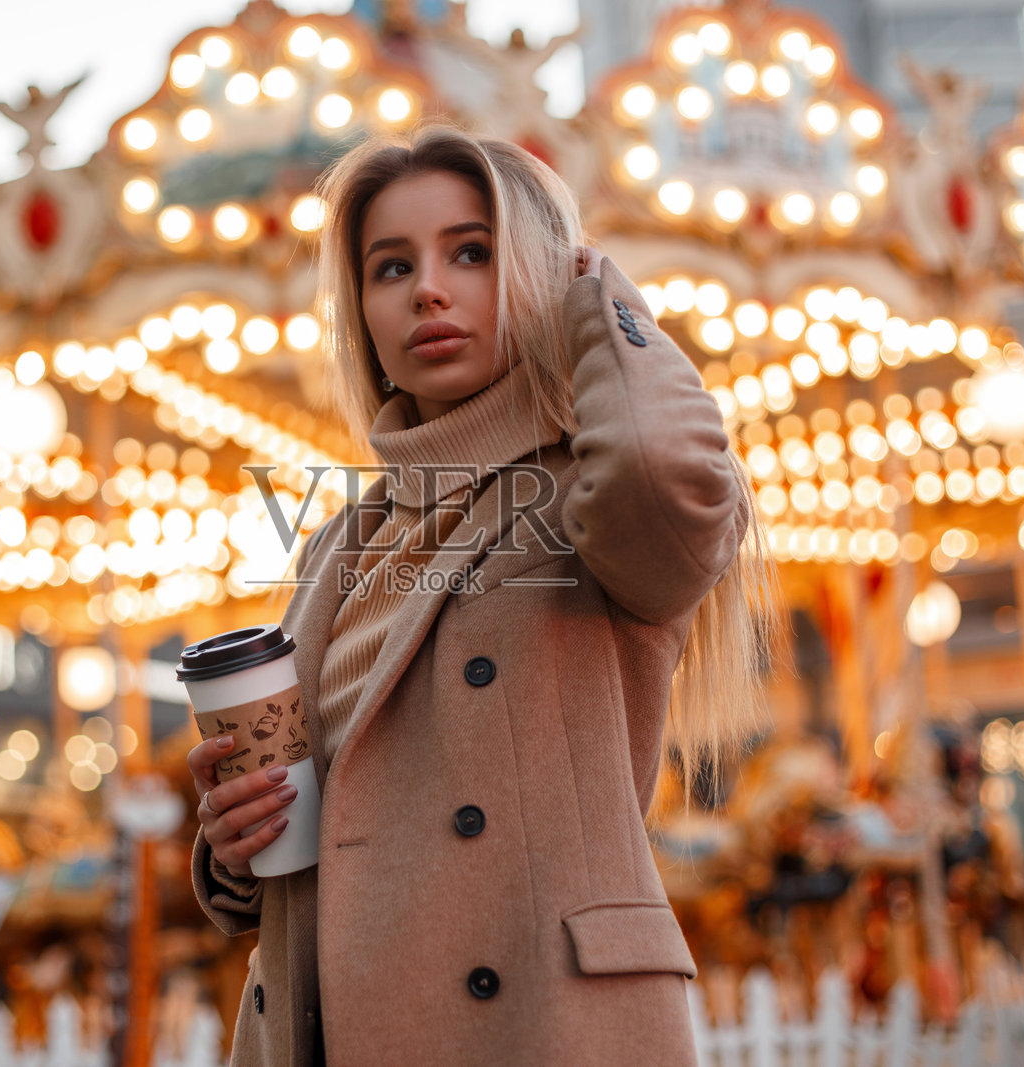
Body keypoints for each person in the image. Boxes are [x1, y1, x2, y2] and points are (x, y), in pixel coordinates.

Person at [186, 125, 772, 1066]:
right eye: (390, 266)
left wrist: (596, 295)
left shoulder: (595, 496)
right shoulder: (346, 537)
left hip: (537, 1022)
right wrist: (234, 840)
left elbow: (671, 479)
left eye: (473, 252)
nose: (427, 288)